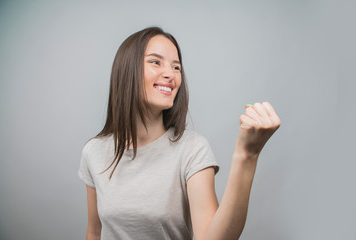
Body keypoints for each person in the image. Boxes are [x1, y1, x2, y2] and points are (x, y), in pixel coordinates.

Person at [78, 26, 281, 240]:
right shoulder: (94, 152)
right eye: (156, 62)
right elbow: (95, 231)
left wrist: (247, 155)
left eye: (176, 67)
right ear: (127, 70)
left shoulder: (192, 150)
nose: (171, 74)